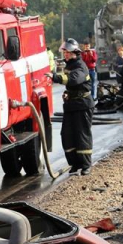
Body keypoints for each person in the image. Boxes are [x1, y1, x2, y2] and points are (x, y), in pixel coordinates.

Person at [45, 38, 95, 175]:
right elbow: (72, 84)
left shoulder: (80, 66)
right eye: (64, 52)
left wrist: (55, 77)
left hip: (83, 105)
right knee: (67, 135)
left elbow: (73, 79)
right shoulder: (70, 65)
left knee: (81, 135)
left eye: (67, 52)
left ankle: (86, 165)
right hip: (71, 105)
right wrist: (68, 93)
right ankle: (74, 164)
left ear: (75, 52)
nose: (65, 55)